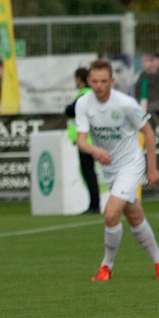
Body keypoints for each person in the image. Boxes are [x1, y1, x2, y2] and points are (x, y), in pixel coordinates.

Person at [75, 59, 159, 281]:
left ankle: (106, 267)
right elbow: (81, 140)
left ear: (112, 81)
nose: (99, 86)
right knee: (134, 214)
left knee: (110, 214)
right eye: (95, 81)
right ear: (88, 81)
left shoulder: (125, 104)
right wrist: (94, 150)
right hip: (110, 167)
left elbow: (148, 133)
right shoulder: (83, 103)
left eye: (103, 81)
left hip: (131, 163)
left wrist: (152, 169)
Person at [64, 67, 100, 214]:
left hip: (87, 141)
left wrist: (68, 108)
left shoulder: (85, 94)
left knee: (89, 173)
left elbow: (70, 110)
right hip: (87, 140)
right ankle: (94, 204)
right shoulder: (86, 94)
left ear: (79, 78)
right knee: (89, 172)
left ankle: (94, 205)